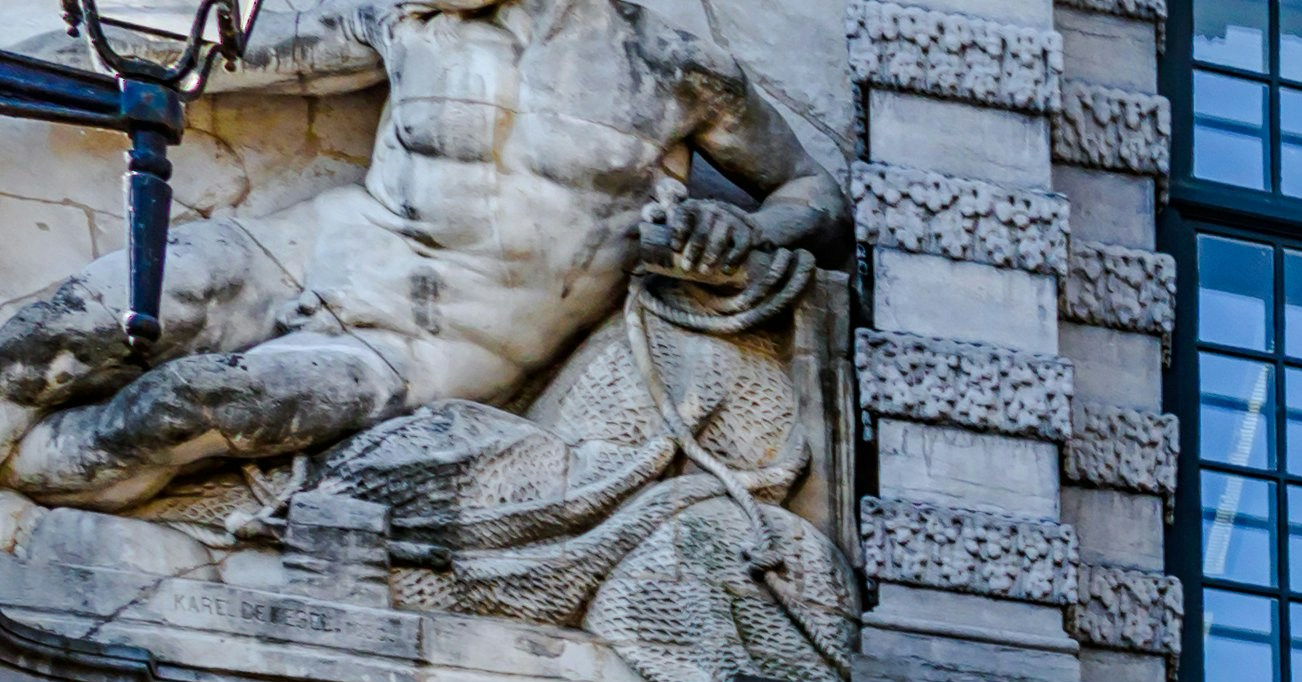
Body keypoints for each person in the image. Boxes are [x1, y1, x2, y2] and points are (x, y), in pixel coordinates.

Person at [0, 0, 840, 520]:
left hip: (418, 352)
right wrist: (40, 62)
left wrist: (755, 234)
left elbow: (813, 193)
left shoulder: (678, 73)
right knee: (51, 331)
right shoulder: (408, 19)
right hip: (303, 253)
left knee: (179, 406)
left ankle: (31, 505)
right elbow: (200, 61)